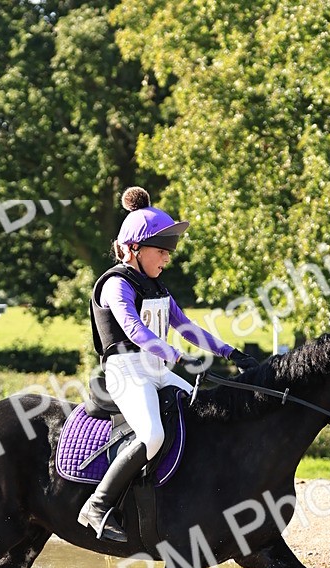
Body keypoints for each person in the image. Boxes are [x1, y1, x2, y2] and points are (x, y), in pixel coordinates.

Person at [78, 186, 259, 542]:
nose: (166, 259)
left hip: (157, 371)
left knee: (205, 416)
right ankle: (97, 505)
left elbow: (186, 327)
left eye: (167, 253)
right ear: (134, 248)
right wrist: (176, 355)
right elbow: (134, 328)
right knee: (152, 435)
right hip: (126, 373)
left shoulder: (157, 287)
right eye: (161, 252)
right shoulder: (116, 284)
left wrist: (230, 353)